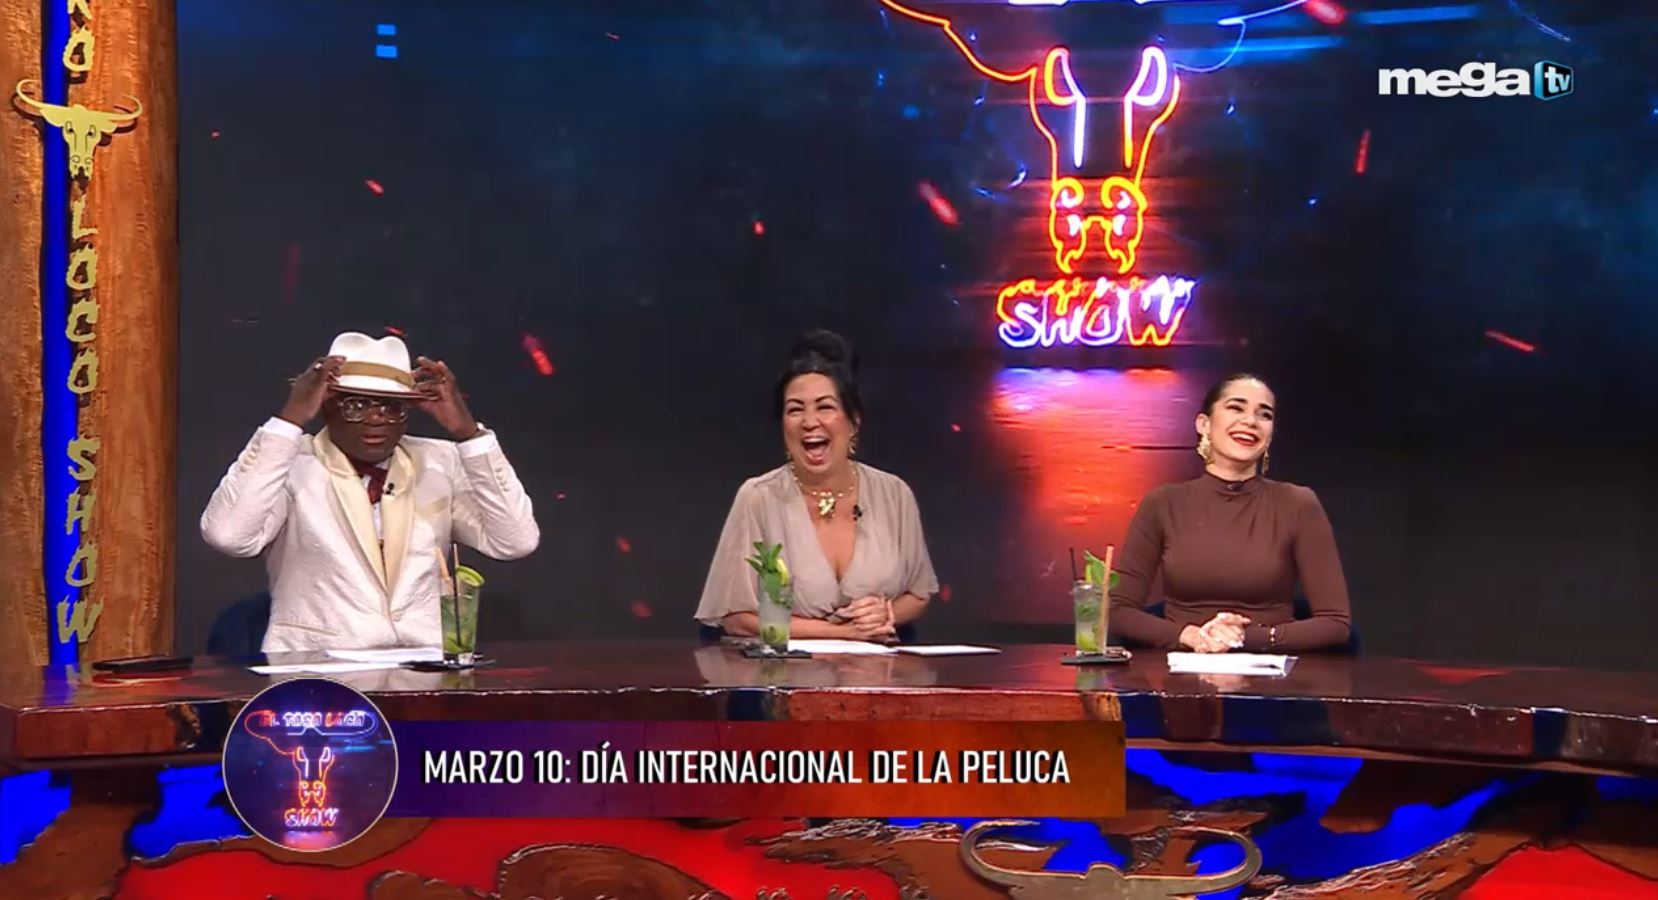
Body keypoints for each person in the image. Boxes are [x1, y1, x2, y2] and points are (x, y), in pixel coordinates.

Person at [201, 331, 540, 652]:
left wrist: (469, 435)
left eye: (392, 407)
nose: (376, 419)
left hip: (424, 668)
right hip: (318, 671)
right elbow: (229, 536)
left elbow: (515, 541)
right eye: (356, 406)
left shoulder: (439, 461)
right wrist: (289, 421)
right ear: (325, 405)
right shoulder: (289, 463)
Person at [695, 330, 938, 642]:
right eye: (795, 410)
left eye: (825, 407)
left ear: (854, 422)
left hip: (876, 668)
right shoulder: (758, 498)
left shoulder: (894, 494)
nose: (809, 422)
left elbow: (919, 594)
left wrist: (885, 613)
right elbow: (737, 618)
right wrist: (841, 634)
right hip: (785, 668)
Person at [1109, 374, 1352, 653]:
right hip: (1182, 665)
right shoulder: (1162, 504)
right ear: (1204, 424)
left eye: (1264, 414)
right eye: (1236, 407)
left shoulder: (1298, 504)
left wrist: (1245, 638)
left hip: (1271, 669)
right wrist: (1189, 635)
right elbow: (1118, 611)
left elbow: (1336, 623)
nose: (1251, 421)